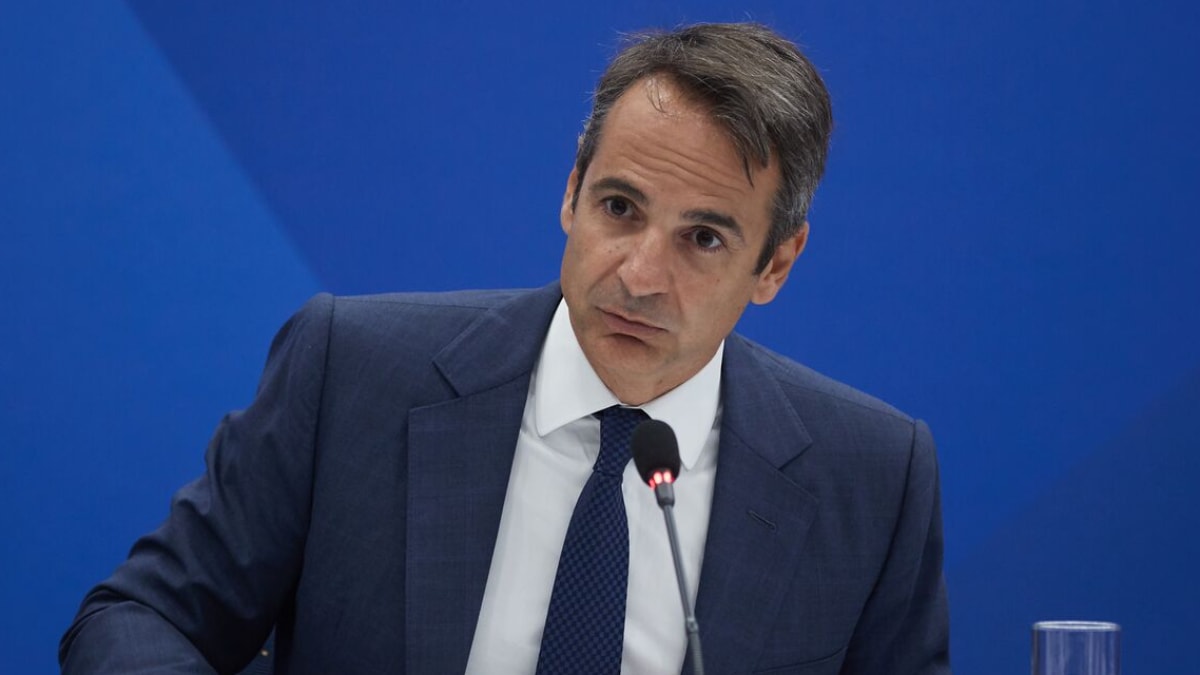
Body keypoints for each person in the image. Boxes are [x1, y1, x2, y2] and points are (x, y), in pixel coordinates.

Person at [60, 22, 950, 674]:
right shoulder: (353, 373)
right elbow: (136, 617)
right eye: (620, 207)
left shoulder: (871, 478)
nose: (640, 274)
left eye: (703, 238)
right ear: (571, 190)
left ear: (776, 263)